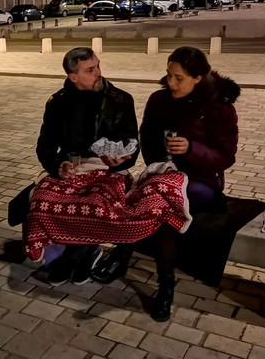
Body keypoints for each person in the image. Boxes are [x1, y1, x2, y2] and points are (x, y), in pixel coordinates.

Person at [92, 46, 240, 322]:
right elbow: (146, 137)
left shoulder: (219, 106)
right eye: (169, 75)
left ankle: (129, 258)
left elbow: (225, 157)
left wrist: (192, 148)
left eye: (178, 78)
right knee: (157, 203)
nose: (171, 83)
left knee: (160, 203)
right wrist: (161, 161)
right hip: (162, 175)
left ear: (198, 78)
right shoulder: (160, 99)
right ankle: (162, 283)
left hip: (201, 182)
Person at [34, 47, 139, 286]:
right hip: (73, 167)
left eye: (98, 65)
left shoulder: (120, 99)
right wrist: (56, 166)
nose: (98, 73)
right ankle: (88, 252)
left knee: (98, 202)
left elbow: (132, 144)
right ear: (73, 77)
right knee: (41, 199)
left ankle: (71, 259)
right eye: (90, 70)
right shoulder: (58, 102)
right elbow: (45, 145)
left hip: (108, 170)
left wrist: (121, 160)